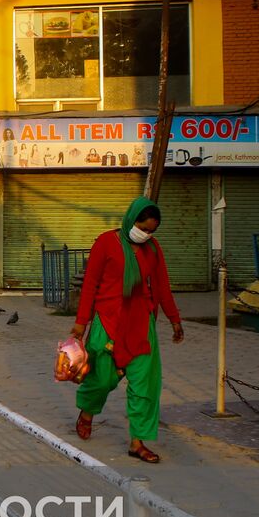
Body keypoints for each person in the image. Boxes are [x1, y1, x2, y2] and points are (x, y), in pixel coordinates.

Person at [70, 196, 185, 463]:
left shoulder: (153, 249)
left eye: (151, 231)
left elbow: (161, 286)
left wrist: (174, 319)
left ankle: (137, 442)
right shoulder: (106, 243)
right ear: (131, 220)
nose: (146, 234)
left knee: (146, 383)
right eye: (143, 228)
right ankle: (87, 411)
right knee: (102, 379)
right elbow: (90, 284)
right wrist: (81, 322)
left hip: (141, 324)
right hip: (108, 322)